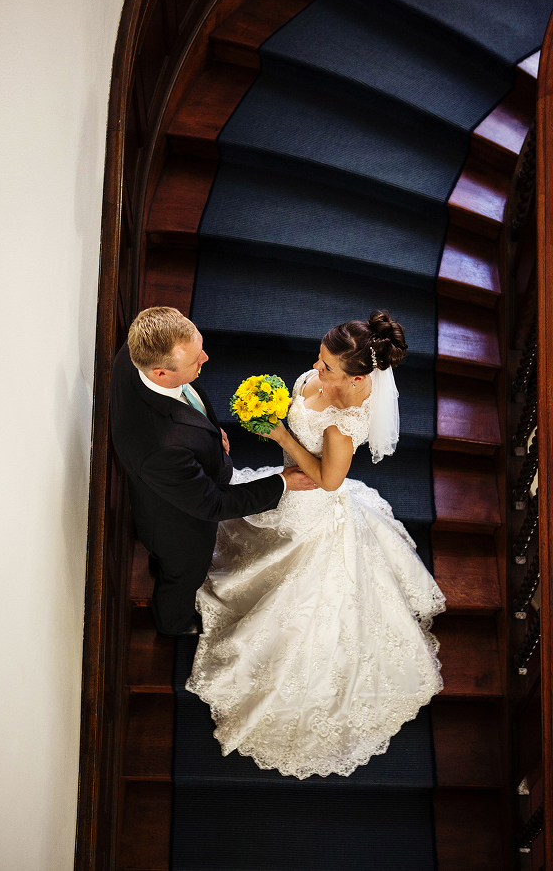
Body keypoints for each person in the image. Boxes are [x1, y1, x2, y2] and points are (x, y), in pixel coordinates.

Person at [186, 310, 446, 779]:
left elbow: (328, 481)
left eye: (327, 368)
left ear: (357, 378)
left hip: (311, 500)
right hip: (289, 481)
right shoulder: (329, 373)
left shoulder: (343, 424)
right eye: (320, 359)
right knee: (241, 528)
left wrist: (282, 433)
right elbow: (309, 389)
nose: (316, 369)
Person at [110, 307, 317, 638]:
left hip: (175, 475)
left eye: (200, 347)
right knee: (183, 575)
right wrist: (282, 482)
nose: (205, 358)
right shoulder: (160, 446)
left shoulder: (135, 349)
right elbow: (213, 504)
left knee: (169, 565)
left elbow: (183, 407)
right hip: (177, 527)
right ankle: (173, 624)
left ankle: (160, 565)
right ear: (161, 374)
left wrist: (207, 429)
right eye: (195, 360)